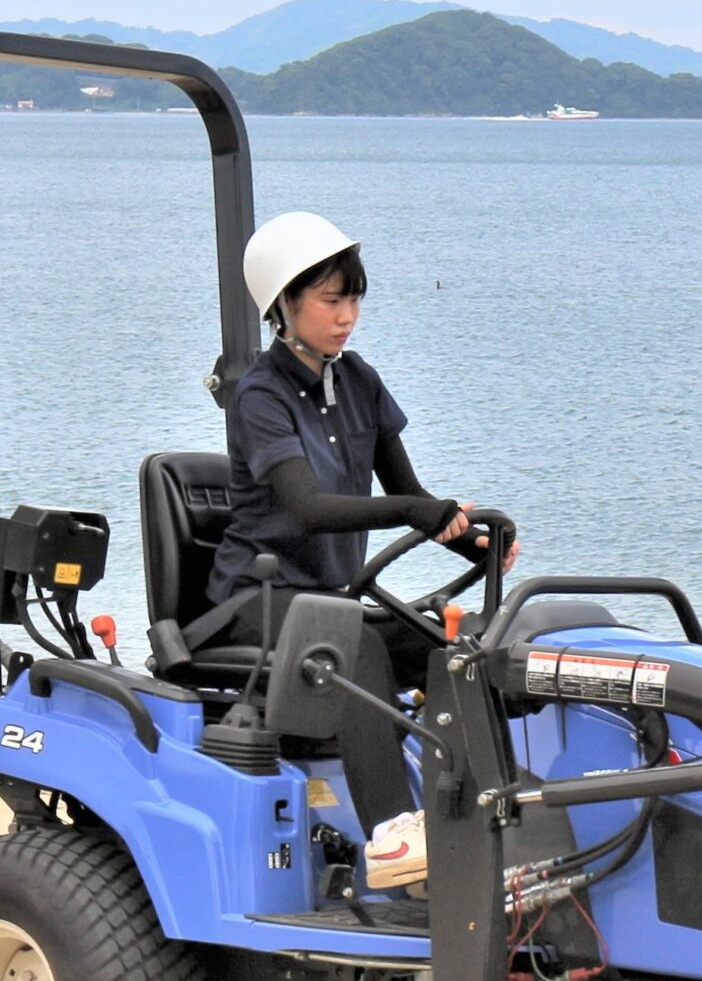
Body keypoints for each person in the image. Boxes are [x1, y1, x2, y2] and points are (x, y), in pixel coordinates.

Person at [204, 211, 519, 891]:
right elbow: (310, 508)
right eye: (330, 299)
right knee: (356, 647)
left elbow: (413, 493)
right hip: (253, 598)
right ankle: (393, 837)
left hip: (330, 602)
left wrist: (481, 543)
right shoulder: (259, 397)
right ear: (284, 303)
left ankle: (481, 806)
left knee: (446, 651)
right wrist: (414, 511)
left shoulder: (359, 381)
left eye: (353, 298)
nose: (347, 316)